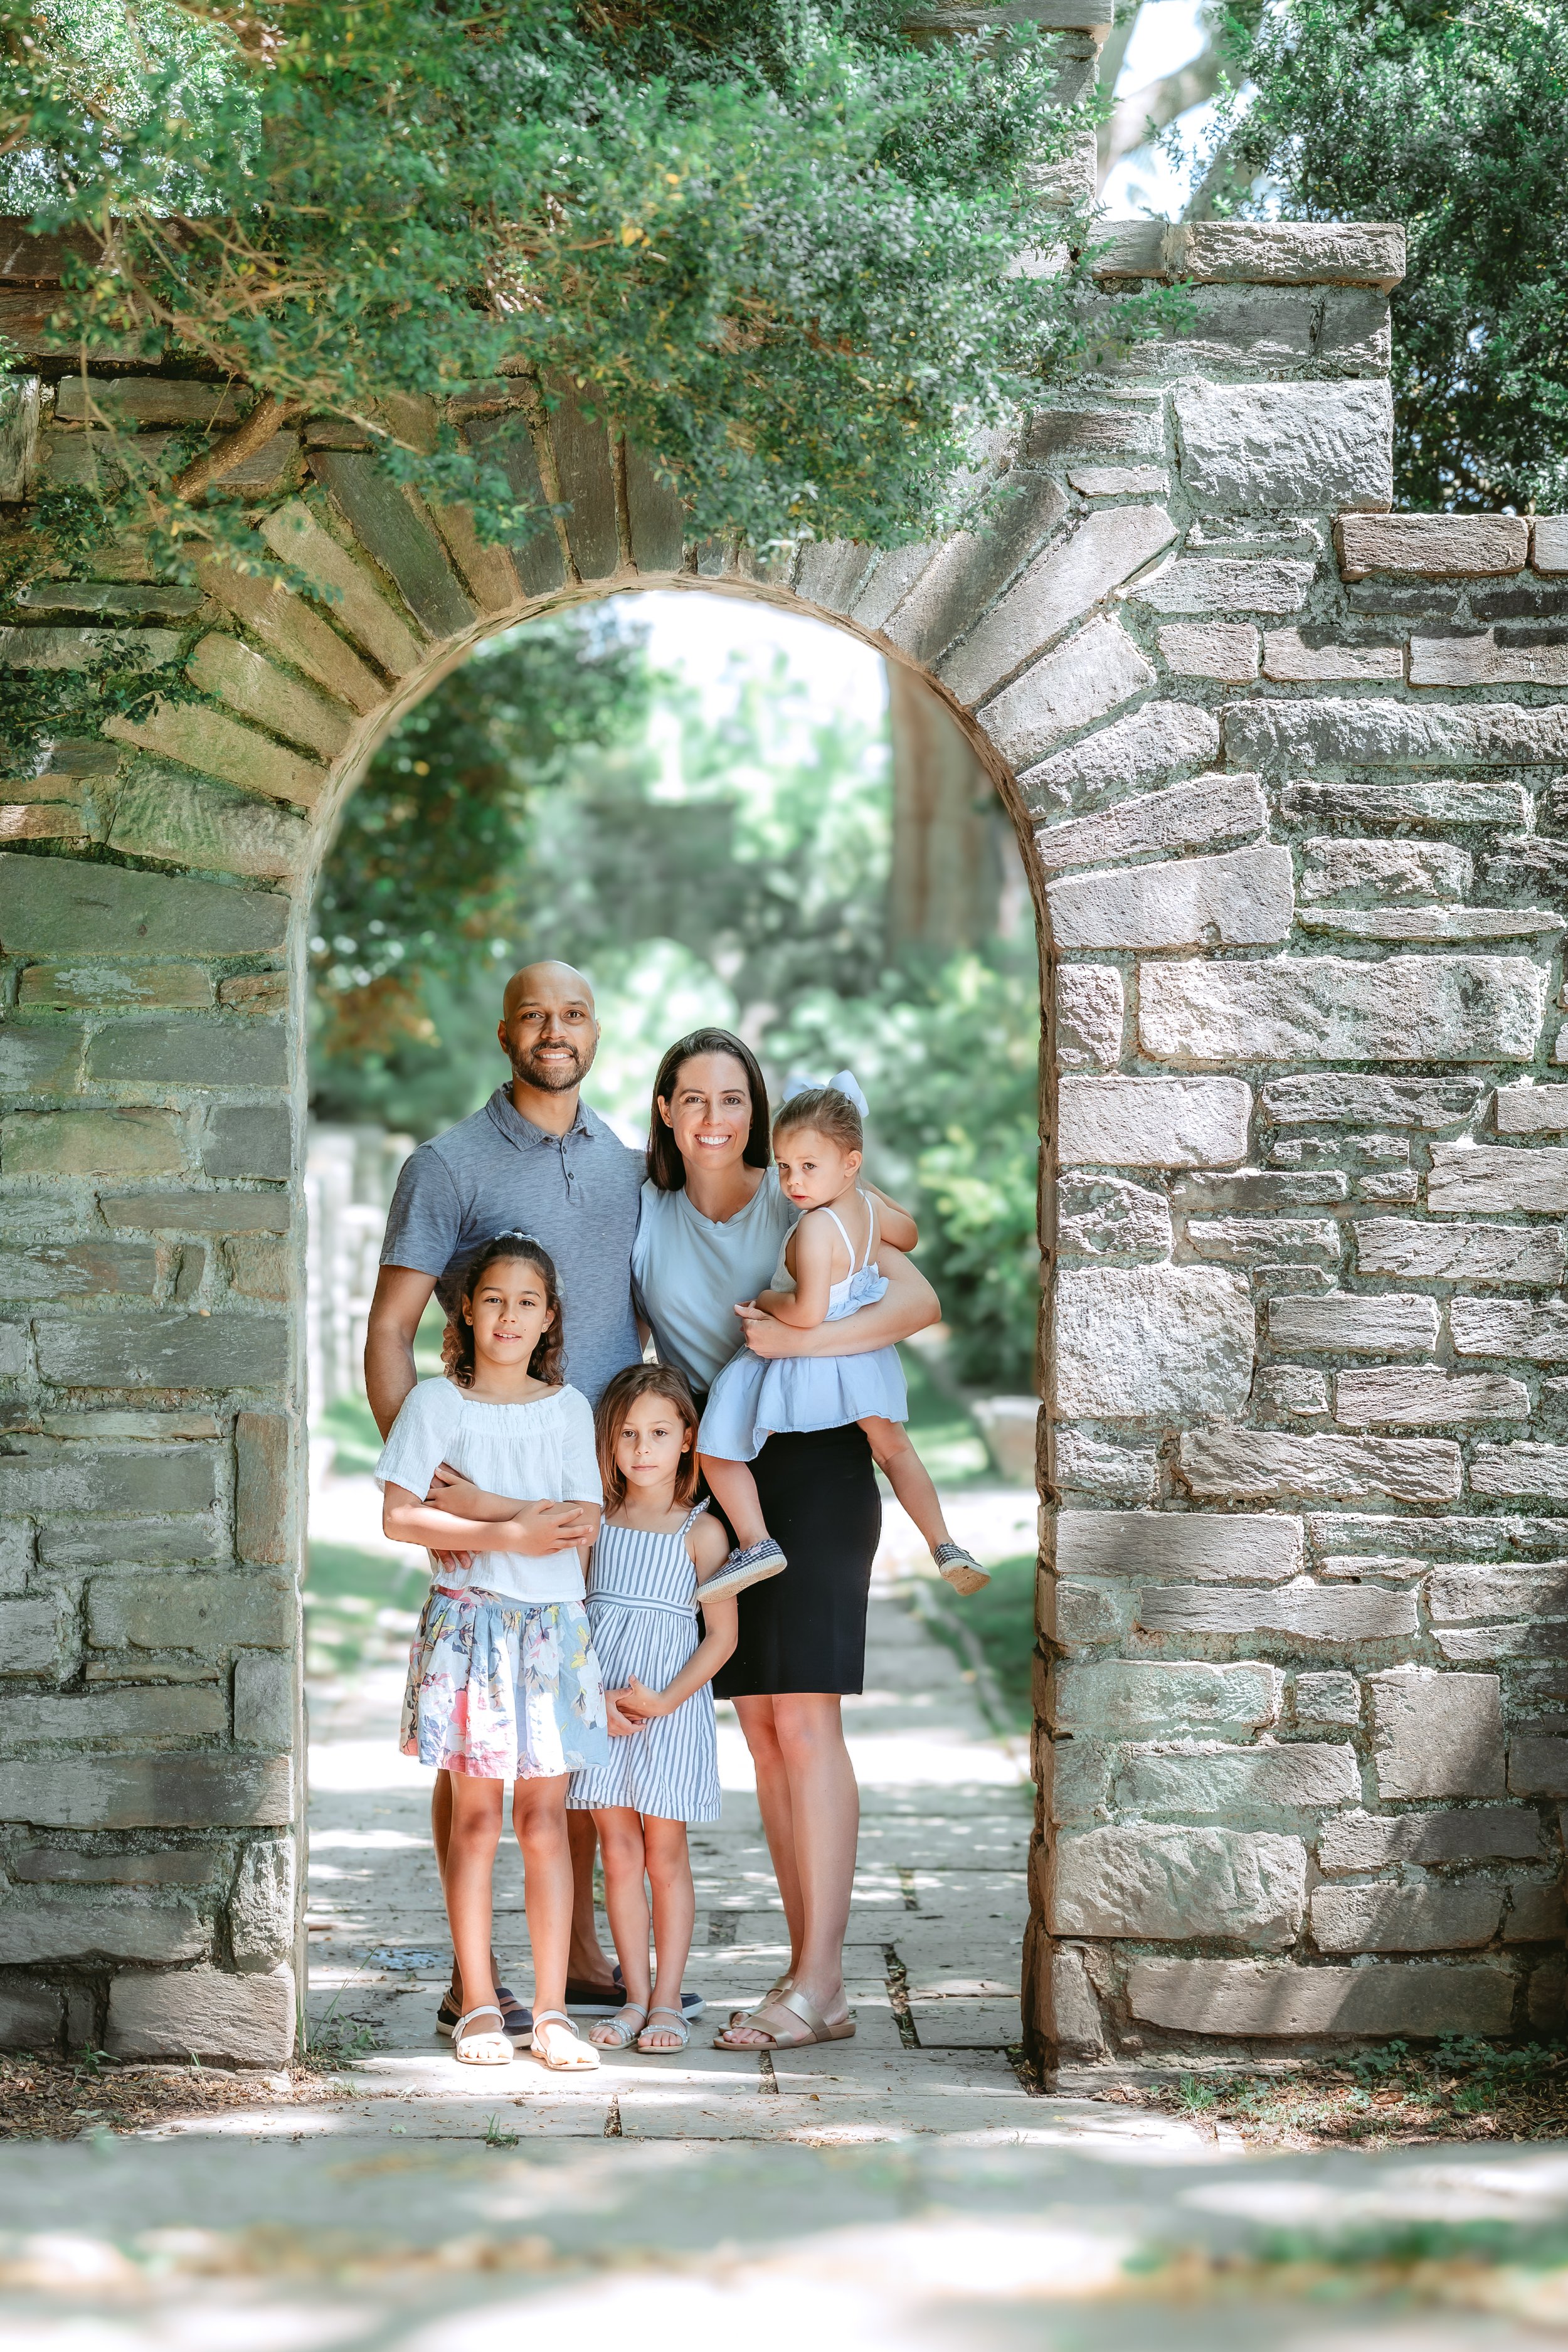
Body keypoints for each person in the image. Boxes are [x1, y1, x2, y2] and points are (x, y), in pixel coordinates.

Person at [630, 1026, 941, 2053]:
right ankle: (812, 1977)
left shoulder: (800, 1188)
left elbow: (916, 1292)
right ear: (668, 1115)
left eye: (730, 1098)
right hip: (722, 1479)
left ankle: (821, 1982)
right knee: (763, 1730)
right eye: (691, 1099)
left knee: (807, 1728)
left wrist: (809, 1335)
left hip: (812, 1464)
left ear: (755, 1110)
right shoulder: (649, 1216)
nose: (712, 1117)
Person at [364, 960, 645, 2043]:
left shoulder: (625, 1160)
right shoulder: (448, 1165)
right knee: (481, 1751)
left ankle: (566, 1959)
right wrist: (446, 1479)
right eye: (534, 1014)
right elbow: (391, 1331)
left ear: (597, 1029)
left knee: (559, 1737)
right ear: (503, 1032)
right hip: (485, 1510)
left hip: (591, 1477)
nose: (554, 1030)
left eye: (573, 1013)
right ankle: (468, 1976)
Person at [375, 1232, 607, 2071]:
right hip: (469, 1627)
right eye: (495, 1299)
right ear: (466, 1311)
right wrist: (508, 1526)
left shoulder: (569, 1408)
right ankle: (477, 1999)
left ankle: (551, 2013)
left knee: (544, 1820)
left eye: (528, 1302)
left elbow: (581, 1529)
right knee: (474, 1818)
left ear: (550, 1318)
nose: (510, 1316)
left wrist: (489, 1506)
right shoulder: (438, 1407)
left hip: (552, 1630)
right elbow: (401, 1516)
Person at [698, 1074, 988, 1599]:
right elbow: (912, 1233)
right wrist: (862, 1186)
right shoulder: (868, 1212)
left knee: (718, 1444)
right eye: (785, 1167)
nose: (793, 1182)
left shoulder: (813, 1228)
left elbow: (806, 1313)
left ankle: (757, 1540)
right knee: (894, 1448)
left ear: (849, 1162)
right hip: (861, 1354)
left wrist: (764, 1300)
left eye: (810, 1166)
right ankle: (943, 1542)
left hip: (804, 1354)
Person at [568, 1365, 737, 2055]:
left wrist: (666, 1700)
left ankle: (670, 1998)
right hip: (605, 1710)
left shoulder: (703, 1533)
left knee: (665, 1852)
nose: (642, 1449)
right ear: (608, 1443)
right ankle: (633, 1995)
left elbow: (723, 1636)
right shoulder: (594, 1525)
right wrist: (592, 1699)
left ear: (687, 1439)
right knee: (618, 1850)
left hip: (672, 1711)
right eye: (628, 1434)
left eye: (659, 1433)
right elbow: (573, 1620)